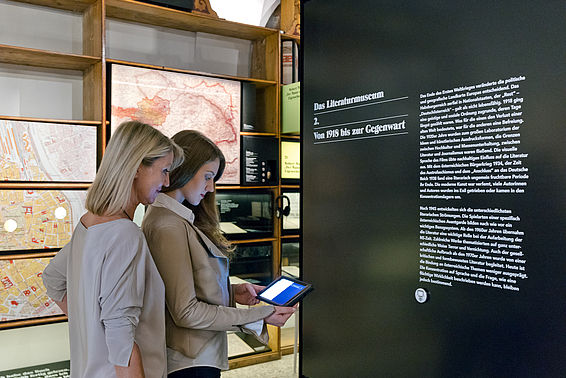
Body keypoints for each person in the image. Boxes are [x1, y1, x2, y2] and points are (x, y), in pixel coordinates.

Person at [141, 130, 296, 378]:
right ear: (185, 169)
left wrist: (232, 292)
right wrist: (260, 314)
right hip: (189, 363)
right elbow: (185, 311)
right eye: (208, 177)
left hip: (197, 356)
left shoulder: (177, 219)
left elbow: (179, 292)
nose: (211, 188)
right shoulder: (168, 226)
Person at [42, 120, 184, 378]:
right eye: (164, 170)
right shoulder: (125, 234)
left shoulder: (89, 223)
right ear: (138, 167)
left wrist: (90, 330)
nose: (167, 181)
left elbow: (52, 278)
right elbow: (122, 341)